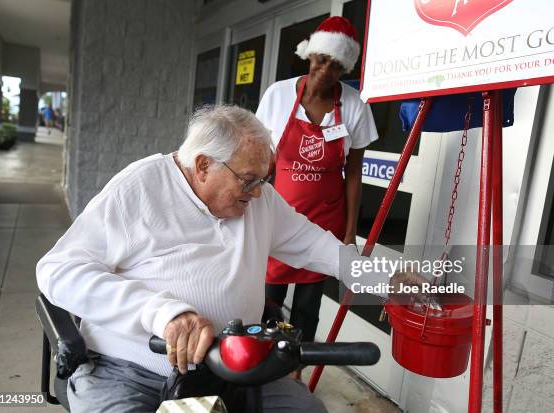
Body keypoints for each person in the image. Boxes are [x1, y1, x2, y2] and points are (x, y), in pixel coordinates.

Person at [36, 105, 423, 413]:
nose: (258, 193)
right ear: (203, 165)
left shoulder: (260, 201)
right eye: (248, 180)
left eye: (263, 180)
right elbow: (58, 271)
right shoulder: (139, 188)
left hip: (234, 367)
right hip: (129, 369)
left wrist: (386, 277)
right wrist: (161, 312)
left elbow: (320, 248)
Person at [255, 16, 379, 365]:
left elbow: (354, 173)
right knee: (268, 299)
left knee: (308, 307)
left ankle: (296, 370)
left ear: (345, 68)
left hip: (327, 220)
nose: (326, 71)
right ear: (309, 55)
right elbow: (262, 157)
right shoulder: (278, 95)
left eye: (337, 66)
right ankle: (264, 364)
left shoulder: (355, 105)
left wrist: (350, 235)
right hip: (278, 217)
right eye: (321, 59)